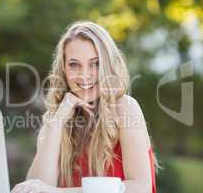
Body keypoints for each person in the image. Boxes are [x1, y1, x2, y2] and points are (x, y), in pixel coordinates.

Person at [11, 20, 159, 193]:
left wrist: (58, 192)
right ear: (64, 69)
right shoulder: (56, 119)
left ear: (108, 65)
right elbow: (37, 188)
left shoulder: (125, 108)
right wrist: (57, 122)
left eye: (95, 63)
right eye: (74, 65)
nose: (84, 75)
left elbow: (140, 188)